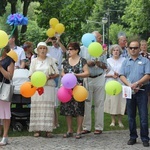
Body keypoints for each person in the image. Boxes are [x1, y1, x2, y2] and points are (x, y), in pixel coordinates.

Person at [120, 39, 150, 147]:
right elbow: (121, 75)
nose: (133, 50)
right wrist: (129, 84)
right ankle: (133, 136)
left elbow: (148, 75)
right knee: (131, 116)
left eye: (135, 48)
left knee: (143, 115)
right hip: (129, 91)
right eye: (131, 48)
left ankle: (145, 138)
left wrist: (137, 83)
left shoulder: (146, 61)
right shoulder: (125, 61)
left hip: (142, 90)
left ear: (139, 49)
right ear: (128, 49)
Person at [28, 42, 59, 138]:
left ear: (46, 50)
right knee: (37, 107)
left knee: (48, 108)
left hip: (48, 86)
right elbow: (30, 75)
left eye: (44, 48)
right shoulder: (34, 61)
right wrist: (37, 79)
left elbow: (57, 73)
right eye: (40, 48)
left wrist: (48, 77)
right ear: (37, 50)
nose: (42, 50)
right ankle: (37, 129)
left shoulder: (51, 60)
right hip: (37, 87)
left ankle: (48, 130)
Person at [60, 42, 89, 139]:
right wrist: (67, 77)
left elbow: (87, 73)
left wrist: (76, 76)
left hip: (78, 87)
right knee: (67, 109)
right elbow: (62, 72)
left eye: (71, 49)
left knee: (79, 109)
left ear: (77, 50)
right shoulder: (65, 61)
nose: (69, 51)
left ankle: (79, 130)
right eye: (68, 49)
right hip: (67, 88)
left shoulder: (82, 61)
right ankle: (69, 130)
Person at [80, 31, 107, 134]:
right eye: (99, 38)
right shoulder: (82, 49)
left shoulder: (102, 49)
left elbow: (106, 66)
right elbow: (80, 63)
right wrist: (87, 63)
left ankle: (99, 127)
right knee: (87, 102)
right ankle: (86, 127)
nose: (101, 40)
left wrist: (99, 63)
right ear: (93, 38)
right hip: (88, 77)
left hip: (99, 77)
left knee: (99, 103)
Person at [45, 36, 67, 128]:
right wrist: (47, 40)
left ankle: (55, 121)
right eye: (53, 40)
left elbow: (65, 51)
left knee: (55, 95)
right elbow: (40, 48)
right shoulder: (49, 49)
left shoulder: (59, 50)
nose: (54, 42)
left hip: (57, 72)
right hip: (49, 72)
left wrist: (59, 41)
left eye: (55, 40)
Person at [104, 44, 126, 127]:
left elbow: (126, 71)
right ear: (111, 52)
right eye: (114, 50)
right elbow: (104, 73)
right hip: (111, 83)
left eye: (117, 50)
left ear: (120, 51)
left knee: (121, 101)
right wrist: (111, 75)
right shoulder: (107, 61)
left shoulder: (124, 60)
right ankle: (113, 120)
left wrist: (120, 75)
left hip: (121, 82)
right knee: (112, 101)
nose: (116, 52)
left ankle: (120, 121)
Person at [0, 45, 15, 146]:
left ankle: (5, 136)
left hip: (4, 87)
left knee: (5, 113)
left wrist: (0, 67)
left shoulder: (10, 60)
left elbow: (9, 76)